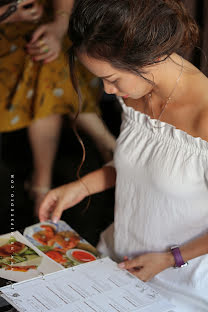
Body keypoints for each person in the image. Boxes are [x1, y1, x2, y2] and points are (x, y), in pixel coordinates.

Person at [39, 0, 208, 310]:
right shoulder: (136, 91)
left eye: (112, 79)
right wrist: (82, 186)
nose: (108, 90)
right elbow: (144, 163)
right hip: (118, 258)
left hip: (184, 284)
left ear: (151, 57)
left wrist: (173, 258)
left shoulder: (204, 116)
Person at [0, 0, 116, 216]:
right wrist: (9, 13)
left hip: (44, 28)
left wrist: (58, 26)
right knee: (46, 60)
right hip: (7, 35)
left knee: (47, 55)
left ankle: (41, 185)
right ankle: (109, 144)